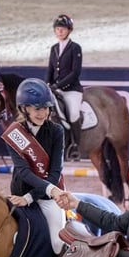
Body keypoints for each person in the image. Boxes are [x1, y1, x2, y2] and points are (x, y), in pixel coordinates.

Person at [2, 78, 66, 255]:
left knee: (57, 243)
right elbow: (23, 171)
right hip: (19, 194)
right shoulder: (14, 133)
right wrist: (25, 198)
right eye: (37, 109)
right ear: (24, 108)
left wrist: (30, 198)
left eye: (46, 108)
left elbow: (55, 174)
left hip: (48, 198)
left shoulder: (57, 131)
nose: (43, 113)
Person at [46, 14, 84, 161]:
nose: (60, 31)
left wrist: (58, 85)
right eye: (57, 29)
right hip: (55, 89)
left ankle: (75, 146)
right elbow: (50, 69)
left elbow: (75, 72)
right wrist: (47, 84)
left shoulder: (75, 48)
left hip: (71, 90)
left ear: (69, 30)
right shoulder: (54, 48)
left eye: (63, 29)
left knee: (73, 113)